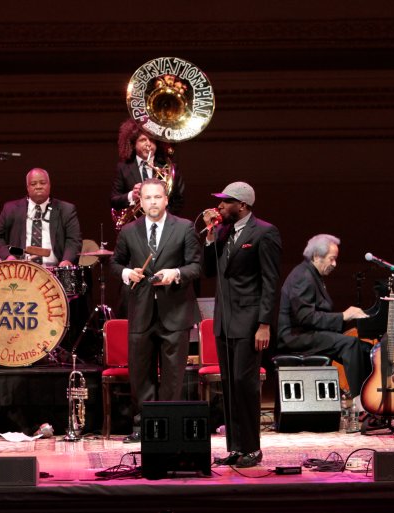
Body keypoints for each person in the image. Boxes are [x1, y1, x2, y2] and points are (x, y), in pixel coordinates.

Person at [110, 178, 201, 443]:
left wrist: (175, 273)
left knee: (174, 374)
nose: (152, 202)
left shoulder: (184, 228)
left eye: (157, 198)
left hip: (176, 311)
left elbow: (195, 266)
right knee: (140, 372)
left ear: (166, 200)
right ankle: (144, 425)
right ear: (140, 202)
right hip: (141, 310)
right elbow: (115, 264)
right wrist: (128, 272)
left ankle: (169, 423)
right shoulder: (128, 231)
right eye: (147, 198)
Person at [202, 181, 281, 468]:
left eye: (226, 201)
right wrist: (210, 237)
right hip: (225, 321)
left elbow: (270, 282)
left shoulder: (264, 232)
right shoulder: (223, 233)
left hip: (249, 322)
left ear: (243, 205)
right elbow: (208, 271)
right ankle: (235, 447)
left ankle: (252, 448)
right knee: (228, 385)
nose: (219, 206)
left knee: (243, 383)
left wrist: (264, 324)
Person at [277, 234, 372, 398]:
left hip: (306, 333)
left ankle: (370, 396)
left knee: (365, 349)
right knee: (350, 344)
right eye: (332, 259)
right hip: (295, 336)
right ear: (316, 256)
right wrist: (343, 316)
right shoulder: (303, 276)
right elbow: (305, 318)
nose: (335, 264)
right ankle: (360, 400)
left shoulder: (312, 274)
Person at [0, 167, 82, 266]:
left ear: (49, 185)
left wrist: (67, 260)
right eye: (33, 184)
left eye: (42, 183)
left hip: (55, 270)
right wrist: (8, 257)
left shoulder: (66, 209)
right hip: (20, 270)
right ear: (27, 187)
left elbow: (73, 240)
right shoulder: (11, 209)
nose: (38, 187)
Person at [110, 119, 185, 221]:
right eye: (143, 140)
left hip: (164, 224)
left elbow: (179, 200)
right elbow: (113, 200)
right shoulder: (123, 168)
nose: (148, 144)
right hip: (135, 227)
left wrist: (161, 218)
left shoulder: (169, 167)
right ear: (133, 144)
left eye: (152, 139)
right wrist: (132, 195)